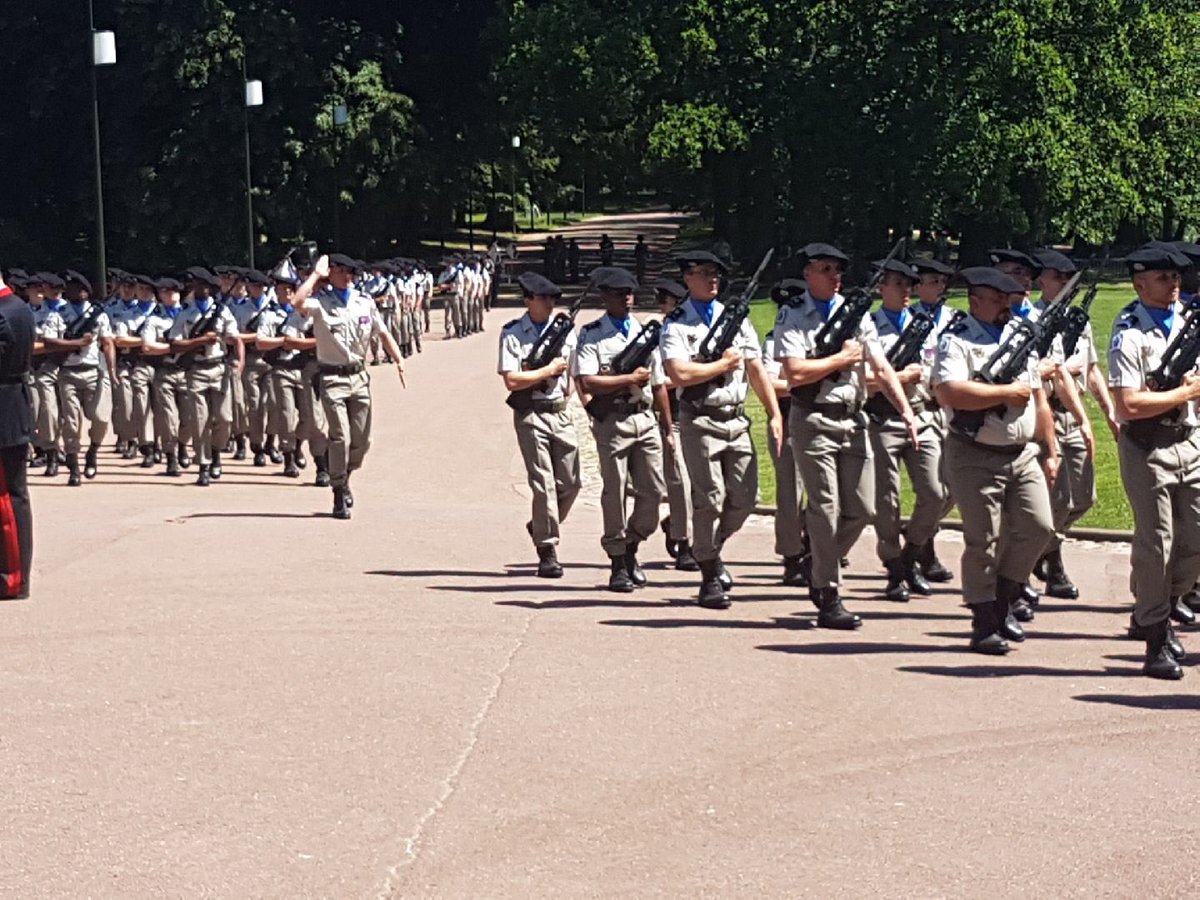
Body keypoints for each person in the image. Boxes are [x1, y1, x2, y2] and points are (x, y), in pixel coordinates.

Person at [775, 243, 918, 628]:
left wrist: (905, 410)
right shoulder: (793, 314)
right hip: (814, 419)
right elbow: (794, 374)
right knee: (825, 508)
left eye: (838, 269)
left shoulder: (854, 313)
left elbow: (881, 367)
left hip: (854, 420)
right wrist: (840, 359)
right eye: (826, 269)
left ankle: (817, 563)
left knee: (862, 509)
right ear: (808, 273)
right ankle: (829, 593)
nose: (835, 276)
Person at [932, 267, 1056, 656]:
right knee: (984, 539)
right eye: (999, 299)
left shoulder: (1018, 335)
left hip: (1022, 452)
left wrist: (1051, 449)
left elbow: (1038, 397)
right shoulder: (956, 339)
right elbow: (949, 392)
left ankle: (1005, 594)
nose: (1007, 305)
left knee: (1039, 527)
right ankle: (984, 619)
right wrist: (1002, 393)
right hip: (975, 452)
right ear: (976, 301)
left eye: (1009, 298)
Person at [661, 250, 783, 608]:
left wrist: (774, 413)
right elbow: (678, 373)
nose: (713, 278)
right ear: (688, 278)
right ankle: (708, 574)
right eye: (704, 273)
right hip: (700, 419)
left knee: (746, 497)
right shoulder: (677, 323)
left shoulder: (736, 319)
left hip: (736, 419)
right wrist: (722, 365)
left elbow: (756, 368)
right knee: (709, 498)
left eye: (716, 273)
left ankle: (711, 547)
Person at [1109, 243, 1200, 680]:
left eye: (1177, 277)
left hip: (1189, 441)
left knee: (1195, 540)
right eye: (1164, 278)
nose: (1174, 284)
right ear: (1139, 283)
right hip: (1147, 448)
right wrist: (1183, 392)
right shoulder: (1128, 331)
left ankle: (1161, 605)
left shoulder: (1188, 323)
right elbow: (1127, 404)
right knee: (1157, 545)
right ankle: (1155, 633)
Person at [990, 247, 1093, 618]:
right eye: (1012, 273)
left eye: (1024, 275)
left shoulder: (1038, 320)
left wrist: (1083, 419)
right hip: (1008, 422)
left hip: (1045, 415)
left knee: (1061, 504)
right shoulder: (987, 323)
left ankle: (1031, 567)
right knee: (1019, 513)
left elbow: (1060, 371)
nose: (1020, 281)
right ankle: (1009, 587)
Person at [573, 266, 669, 592]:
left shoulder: (645, 333)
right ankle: (617, 561)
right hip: (613, 421)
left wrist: (667, 428)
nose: (627, 299)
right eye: (619, 294)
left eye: (629, 293)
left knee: (653, 491)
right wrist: (627, 379)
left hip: (645, 419)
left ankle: (632, 543)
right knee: (614, 492)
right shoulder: (592, 334)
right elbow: (588, 380)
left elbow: (659, 384)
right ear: (605, 297)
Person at [1031, 249, 1117, 599]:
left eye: (1069, 279)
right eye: (1058, 277)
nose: (1065, 283)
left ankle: (1040, 549)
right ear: (1041, 280)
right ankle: (1052, 564)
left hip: (1073, 410)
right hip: (1045, 411)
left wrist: (1109, 412)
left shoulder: (1077, 321)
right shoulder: (1031, 319)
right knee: (1058, 500)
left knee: (1084, 498)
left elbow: (1092, 369)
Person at [293, 253, 406, 518]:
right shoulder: (321, 302)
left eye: (350, 272)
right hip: (332, 379)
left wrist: (399, 359)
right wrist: (315, 275)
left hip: (359, 377)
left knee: (362, 441)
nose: (347, 276)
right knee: (340, 436)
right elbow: (297, 302)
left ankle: (346, 477)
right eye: (341, 271)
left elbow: (382, 332)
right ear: (331, 273)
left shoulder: (363, 301)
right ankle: (338, 490)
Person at [866, 259, 947, 602]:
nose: (906, 291)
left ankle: (913, 551)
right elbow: (862, 381)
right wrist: (899, 378)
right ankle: (894, 567)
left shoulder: (924, 324)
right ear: (881, 287)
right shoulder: (869, 326)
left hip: (922, 416)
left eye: (910, 285)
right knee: (887, 501)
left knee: (936, 493)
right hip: (882, 420)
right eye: (898, 284)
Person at [498, 271, 581, 578]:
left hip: (560, 412)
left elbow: (573, 373)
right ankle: (547, 548)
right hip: (531, 413)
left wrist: (567, 395)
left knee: (571, 483)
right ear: (528, 300)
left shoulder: (565, 332)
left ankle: (540, 523)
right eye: (544, 298)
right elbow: (512, 380)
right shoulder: (513, 333)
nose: (550, 303)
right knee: (543, 483)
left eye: (553, 298)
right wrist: (547, 370)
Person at [169, 267, 244, 486]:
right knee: (200, 420)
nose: (200, 289)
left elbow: (234, 338)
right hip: (196, 370)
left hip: (219, 368)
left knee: (224, 418)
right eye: (196, 285)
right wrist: (200, 341)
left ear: (210, 288)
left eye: (203, 285)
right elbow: (175, 344)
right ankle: (203, 464)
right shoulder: (185, 313)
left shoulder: (222, 311)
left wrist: (238, 361)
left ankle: (216, 452)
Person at [908, 258, 958, 582]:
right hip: (921, 409)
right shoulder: (908, 319)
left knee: (953, 489)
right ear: (917, 286)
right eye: (933, 281)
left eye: (943, 281)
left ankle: (921, 535)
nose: (940, 287)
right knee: (933, 490)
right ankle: (920, 549)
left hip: (951, 410)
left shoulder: (955, 319)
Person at [40, 274, 117, 486]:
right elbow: (49, 341)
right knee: (71, 422)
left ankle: (93, 450)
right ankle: (73, 466)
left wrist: (111, 370)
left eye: (83, 288)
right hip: (68, 372)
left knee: (101, 418)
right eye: (75, 288)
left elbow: (107, 342)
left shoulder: (98, 314)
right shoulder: (58, 314)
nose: (80, 292)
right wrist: (76, 343)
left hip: (93, 371)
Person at [763, 278, 809, 587]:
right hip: (788, 418)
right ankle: (792, 556)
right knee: (791, 493)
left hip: (818, 416)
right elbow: (770, 382)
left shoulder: (812, 337)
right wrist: (804, 381)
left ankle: (817, 543)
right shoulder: (772, 341)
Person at [650, 279, 698, 571]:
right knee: (680, 484)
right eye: (671, 302)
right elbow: (657, 383)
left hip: (701, 416)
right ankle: (684, 543)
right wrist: (667, 428)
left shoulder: (694, 330)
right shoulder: (657, 337)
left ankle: (674, 523)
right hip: (675, 418)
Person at [0, 269, 35, 599]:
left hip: (4, 413)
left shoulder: (4, 313)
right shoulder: (17, 307)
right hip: (12, 407)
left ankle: (11, 578)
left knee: (8, 500)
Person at [140, 277, 194, 476]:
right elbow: (147, 346)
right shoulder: (154, 319)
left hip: (187, 371)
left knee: (190, 417)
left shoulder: (190, 315)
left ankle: (183, 444)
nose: (170, 295)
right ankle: (171, 456)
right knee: (168, 417)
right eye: (165, 292)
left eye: (173, 291)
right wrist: (173, 348)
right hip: (165, 371)